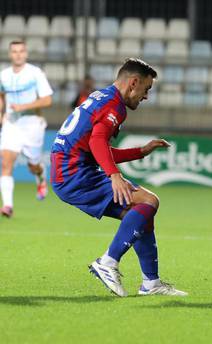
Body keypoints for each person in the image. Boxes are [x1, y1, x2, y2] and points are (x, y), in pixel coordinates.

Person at [50, 58, 187, 297]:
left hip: (68, 172)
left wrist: (140, 151)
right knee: (149, 201)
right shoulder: (115, 106)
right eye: (146, 89)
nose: (146, 96)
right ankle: (108, 262)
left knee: (140, 215)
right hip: (74, 174)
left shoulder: (101, 97)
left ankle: (150, 283)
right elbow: (97, 142)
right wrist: (114, 175)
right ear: (133, 82)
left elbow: (94, 147)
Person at [0, 40, 53, 217]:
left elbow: (47, 100)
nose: (18, 54)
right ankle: (8, 205)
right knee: (6, 163)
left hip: (32, 124)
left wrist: (22, 107)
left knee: (33, 165)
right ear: (10, 54)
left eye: (21, 51)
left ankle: (40, 175)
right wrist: (2, 114)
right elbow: (1, 95)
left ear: (26, 53)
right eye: (14, 51)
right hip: (11, 125)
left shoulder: (35, 73)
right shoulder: (4, 75)